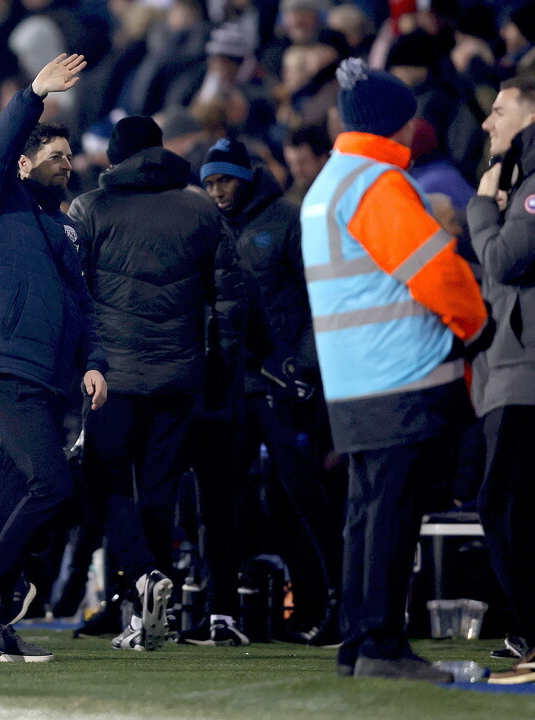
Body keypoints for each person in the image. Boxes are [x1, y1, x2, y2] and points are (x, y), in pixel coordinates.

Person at [301, 58, 490, 682]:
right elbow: (438, 273)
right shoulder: (377, 183)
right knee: (391, 515)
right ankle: (382, 645)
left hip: (354, 381)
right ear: (398, 126)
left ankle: (359, 642)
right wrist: (478, 326)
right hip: (401, 376)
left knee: (366, 513)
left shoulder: (329, 182)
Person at [0, 53, 108, 663]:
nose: (66, 165)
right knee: (52, 484)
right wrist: (32, 97)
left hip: (50, 378)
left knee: (48, 490)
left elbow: (84, 305)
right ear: (23, 162)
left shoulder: (66, 231)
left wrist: (93, 359)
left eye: (70, 158)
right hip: (7, 365)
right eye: (53, 155)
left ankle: (2, 598)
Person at [68, 115, 244, 651]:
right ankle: (153, 613)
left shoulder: (90, 209)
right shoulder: (200, 209)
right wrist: (222, 368)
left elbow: (71, 297)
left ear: (111, 159)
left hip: (111, 379)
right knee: (161, 490)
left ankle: (139, 592)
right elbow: (232, 299)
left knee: (106, 483)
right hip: (179, 374)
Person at [200, 137, 344, 646]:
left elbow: (319, 294)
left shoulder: (287, 221)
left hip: (283, 387)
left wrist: (300, 366)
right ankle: (223, 611)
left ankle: (337, 602)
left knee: (301, 496)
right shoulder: (210, 224)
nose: (218, 191)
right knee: (225, 500)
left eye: (225, 180)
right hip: (233, 388)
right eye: (210, 182)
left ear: (247, 176)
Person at [467, 74, 535, 684]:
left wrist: (480, 210)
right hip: (511, 368)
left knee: (502, 504)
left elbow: (504, 260)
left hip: (528, 372)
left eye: (499, 110)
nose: (488, 123)